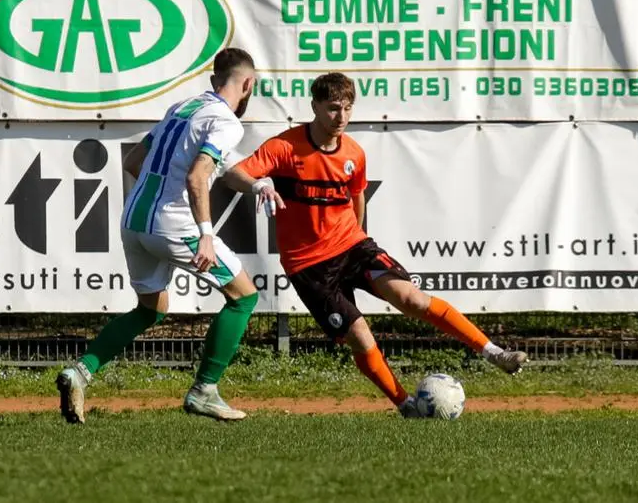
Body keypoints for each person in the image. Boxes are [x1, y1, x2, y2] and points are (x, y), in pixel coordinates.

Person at [222, 72, 528, 418]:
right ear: (315, 107)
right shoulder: (285, 147)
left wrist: (357, 235)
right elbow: (233, 175)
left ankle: (495, 353)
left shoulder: (353, 153)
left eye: (347, 109)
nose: (341, 118)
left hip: (352, 246)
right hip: (309, 266)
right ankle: (406, 406)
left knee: (411, 298)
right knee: (360, 337)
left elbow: (357, 197)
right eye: (333, 108)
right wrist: (258, 185)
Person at [56, 48, 260, 423]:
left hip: (134, 220)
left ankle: (78, 373)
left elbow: (134, 161)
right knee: (244, 297)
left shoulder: (182, 108)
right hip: (175, 225)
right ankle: (204, 390)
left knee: (151, 309)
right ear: (248, 84)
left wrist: (256, 184)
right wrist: (204, 235)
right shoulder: (228, 122)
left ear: (215, 80)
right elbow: (198, 176)